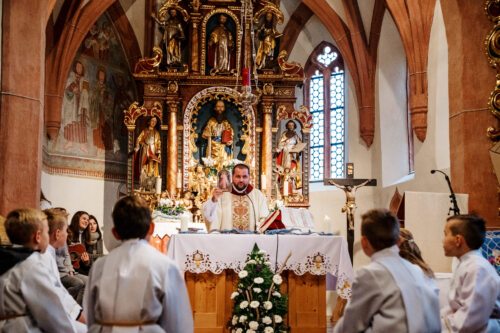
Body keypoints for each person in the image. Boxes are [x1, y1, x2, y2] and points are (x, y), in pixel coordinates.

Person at [83, 195, 194, 332]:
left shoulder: (99, 266)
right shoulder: (165, 266)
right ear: (151, 229)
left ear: (115, 233)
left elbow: (90, 317)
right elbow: (179, 324)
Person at [334, 209, 441, 333]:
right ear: (398, 241)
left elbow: (350, 327)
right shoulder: (417, 270)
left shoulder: (370, 273)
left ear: (364, 243)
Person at [0, 209, 80, 332]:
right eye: (47, 232)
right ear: (38, 236)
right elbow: (52, 314)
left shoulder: (9, 258)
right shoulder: (31, 266)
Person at [441, 214, 500, 332]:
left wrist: (439, 325)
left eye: (445, 234)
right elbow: (455, 307)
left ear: (458, 240)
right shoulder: (466, 264)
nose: (443, 240)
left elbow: (470, 319)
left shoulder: (477, 268)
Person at [42, 209, 87, 331]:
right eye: (66, 231)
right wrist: (81, 318)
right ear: (57, 234)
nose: (68, 234)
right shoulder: (42, 259)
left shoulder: (47, 254)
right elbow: (57, 296)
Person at [203, 164, 269, 231]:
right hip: (228, 240)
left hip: (251, 240)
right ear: (232, 177)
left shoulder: (257, 195)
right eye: (238, 176)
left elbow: (264, 219)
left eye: (244, 177)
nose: (241, 180)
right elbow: (211, 217)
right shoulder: (221, 195)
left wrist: (259, 229)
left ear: (249, 177)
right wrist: (213, 200)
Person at [62, 60, 90, 152]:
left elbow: (86, 93)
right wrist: (71, 89)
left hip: (81, 105)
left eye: (81, 67)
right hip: (72, 104)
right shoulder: (70, 78)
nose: (79, 69)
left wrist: (82, 92)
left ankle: (82, 144)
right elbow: (66, 91)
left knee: (81, 123)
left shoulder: (84, 80)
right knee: (72, 121)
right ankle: (70, 141)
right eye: (77, 67)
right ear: (75, 67)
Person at [202, 100, 234, 170]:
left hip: (224, 146)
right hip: (213, 146)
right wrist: (210, 136)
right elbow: (205, 135)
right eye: (218, 107)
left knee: (224, 162)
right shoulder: (211, 121)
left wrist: (230, 141)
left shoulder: (226, 122)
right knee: (213, 163)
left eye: (222, 107)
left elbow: (231, 135)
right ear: (215, 108)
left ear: (224, 108)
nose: (220, 109)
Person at [135, 116, 161, 188]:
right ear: (149, 122)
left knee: (152, 165)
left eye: (155, 122)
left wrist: (158, 150)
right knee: (145, 165)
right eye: (152, 121)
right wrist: (142, 144)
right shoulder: (144, 131)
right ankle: (143, 180)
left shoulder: (157, 133)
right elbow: (139, 139)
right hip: (145, 150)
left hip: (153, 150)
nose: (154, 123)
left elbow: (158, 142)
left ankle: (152, 182)